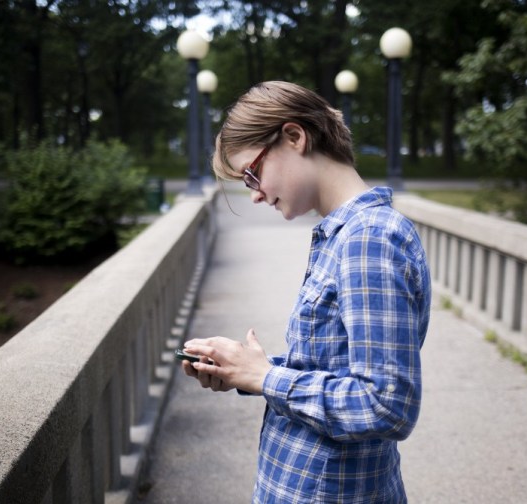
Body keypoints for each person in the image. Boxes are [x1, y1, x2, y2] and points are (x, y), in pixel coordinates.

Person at [180, 81, 432, 503]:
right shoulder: (346, 234)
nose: (256, 193)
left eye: (251, 172)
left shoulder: (368, 239)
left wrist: (266, 377)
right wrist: (243, 370)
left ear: (294, 137)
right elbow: (337, 369)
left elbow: (387, 405)